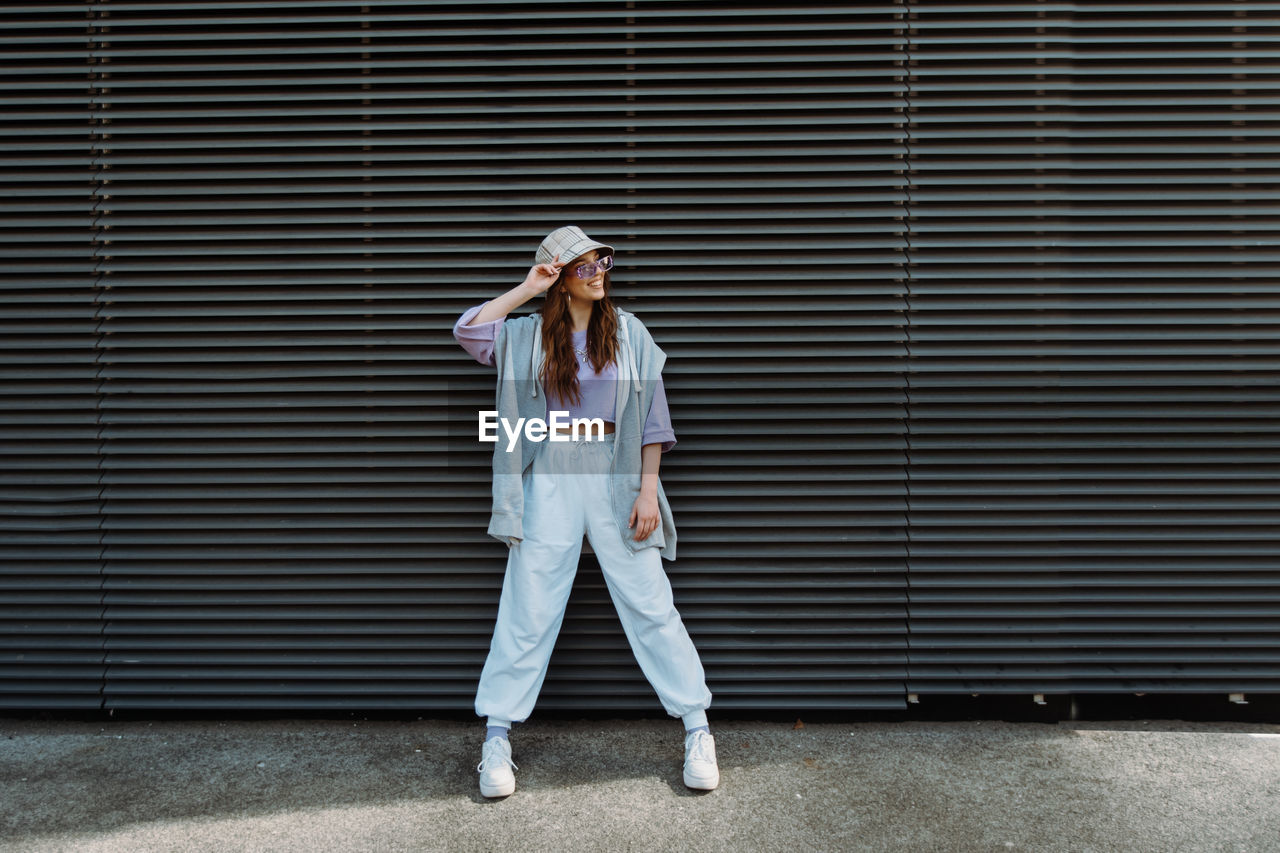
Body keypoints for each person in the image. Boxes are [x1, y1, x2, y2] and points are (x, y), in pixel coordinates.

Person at [452, 225, 717, 797]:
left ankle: (697, 724)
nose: (600, 272)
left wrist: (648, 491)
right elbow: (468, 330)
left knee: (650, 600)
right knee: (529, 603)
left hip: (615, 471)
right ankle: (496, 736)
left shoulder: (629, 334)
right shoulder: (526, 335)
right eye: (585, 266)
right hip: (548, 470)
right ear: (560, 278)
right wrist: (529, 286)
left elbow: (653, 421)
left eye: (603, 262)